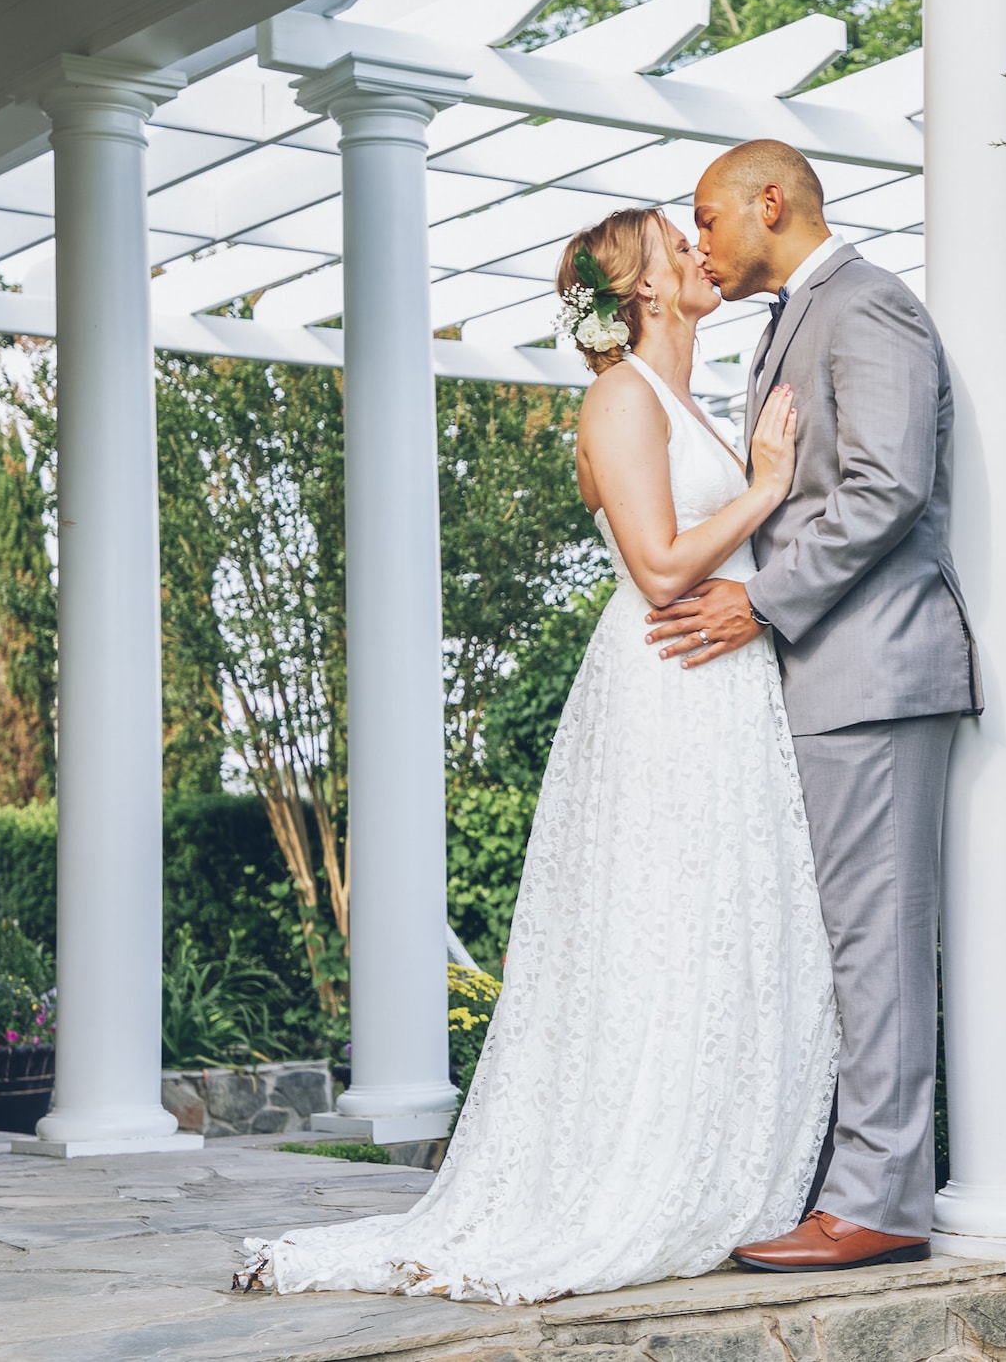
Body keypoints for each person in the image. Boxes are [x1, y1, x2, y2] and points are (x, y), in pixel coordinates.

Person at [235, 207, 839, 1306]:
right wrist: (761, 487)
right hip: (667, 683)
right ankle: (619, 1178)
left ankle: (710, 1161)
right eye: (677, 241)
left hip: (721, 691)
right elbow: (659, 568)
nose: (702, 253)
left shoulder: (681, 399)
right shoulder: (617, 398)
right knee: (654, 930)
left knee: (711, 929)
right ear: (644, 289)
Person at [648, 139, 982, 1272]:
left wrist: (761, 601)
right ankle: (849, 1181)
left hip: (875, 674)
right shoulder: (800, 314)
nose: (697, 241)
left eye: (705, 217)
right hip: (832, 678)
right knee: (844, 943)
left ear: (768, 203)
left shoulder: (868, 305)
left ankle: (881, 1203)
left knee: (874, 944)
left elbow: (888, 483)